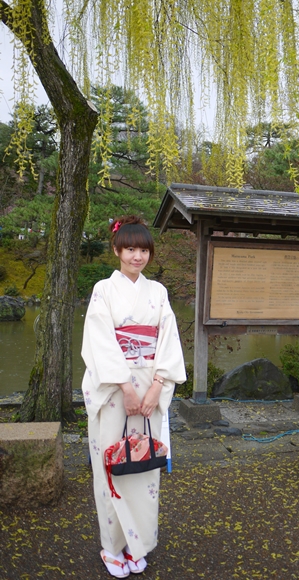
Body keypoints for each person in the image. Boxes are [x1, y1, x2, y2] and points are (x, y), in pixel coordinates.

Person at [81, 216, 186, 578]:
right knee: (111, 463)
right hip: (114, 388)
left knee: (144, 465)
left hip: (151, 385)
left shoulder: (158, 292)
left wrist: (158, 385)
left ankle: (137, 544)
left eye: (143, 250)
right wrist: (125, 387)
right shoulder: (103, 290)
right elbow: (99, 341)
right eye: (130, 249)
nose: (137, 256)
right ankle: (112, 547)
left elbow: (169, 339)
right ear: (117, 251)